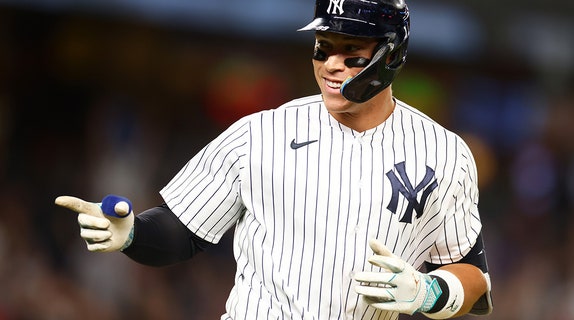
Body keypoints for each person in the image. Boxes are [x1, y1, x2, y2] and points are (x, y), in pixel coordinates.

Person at [56, 0, 493, 319]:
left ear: (392, 55)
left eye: (351, 53)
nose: (331, 65)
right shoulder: (261, 133)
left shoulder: (443, 152)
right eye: (323, 48)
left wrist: (428, 292)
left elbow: (473, 276)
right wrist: (133, 233)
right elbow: (181, 232)